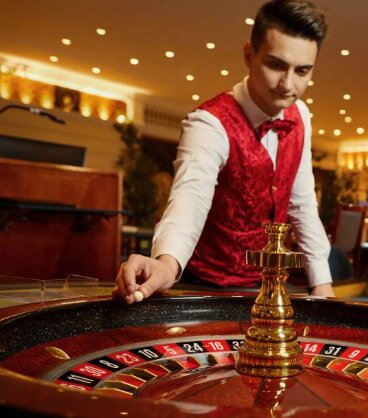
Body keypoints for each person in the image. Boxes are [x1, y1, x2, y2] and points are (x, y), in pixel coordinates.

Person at [114, 0, 334, 303]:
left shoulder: (301, 116)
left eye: (303, 71)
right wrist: (167, 263)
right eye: (276, 65)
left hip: (266, 284)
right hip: (205, 285)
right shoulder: (209, 123)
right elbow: (190, 198)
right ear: (249, 55)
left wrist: (321, 282)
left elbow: (302, 202)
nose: (288, 84)